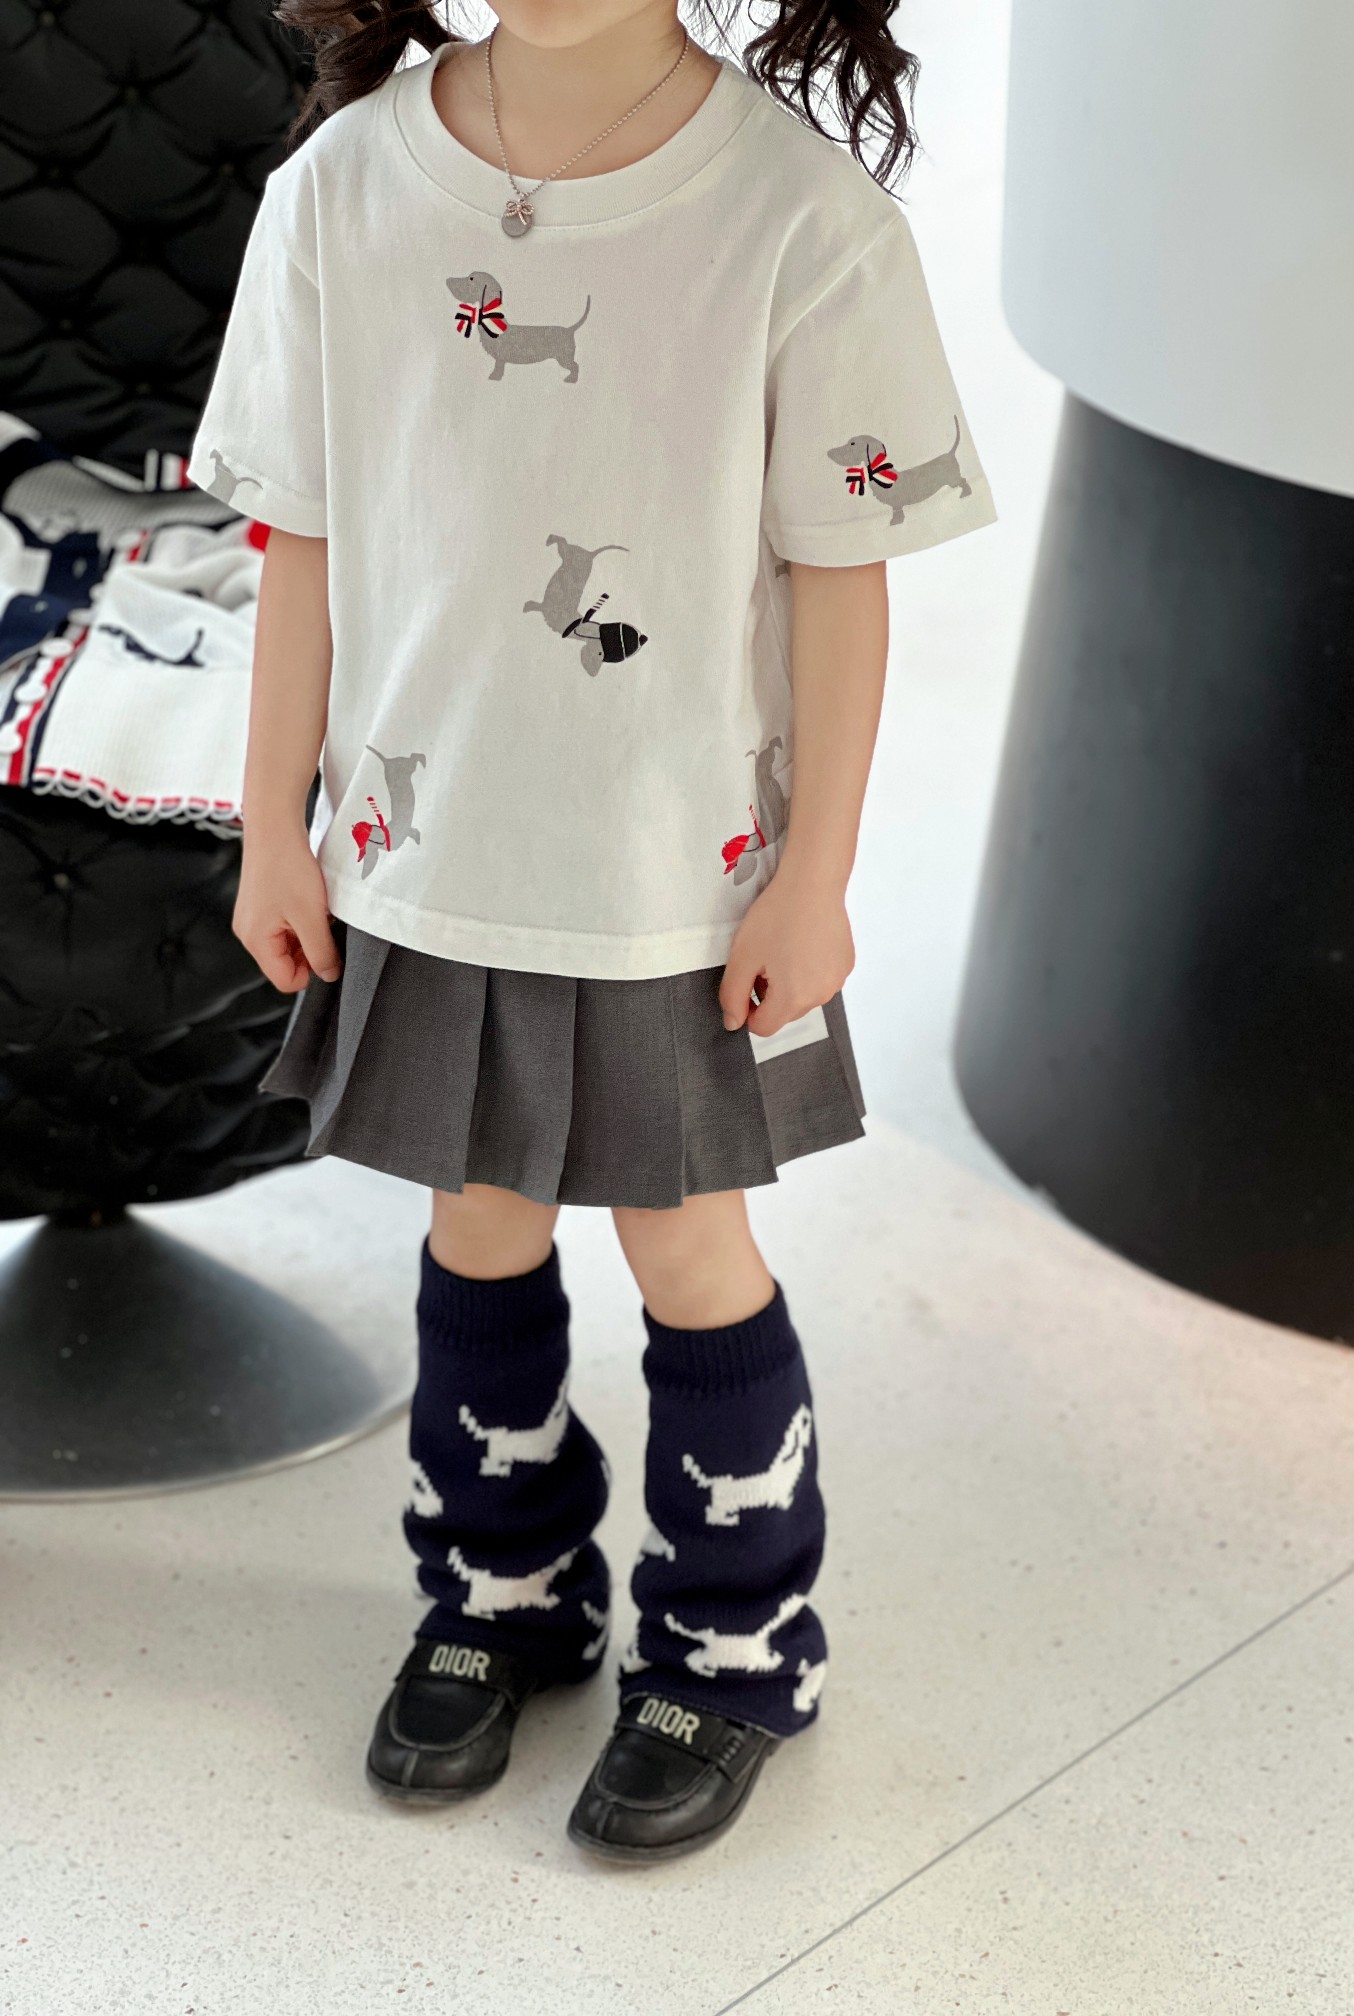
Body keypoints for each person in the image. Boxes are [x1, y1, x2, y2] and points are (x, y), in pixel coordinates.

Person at [189, 0, 996, 1862]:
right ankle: (501, 1597)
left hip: (673, 875)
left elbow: (843, 575)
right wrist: (271, 825)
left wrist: (815, 876)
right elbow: (301, 535)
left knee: (686, 1242)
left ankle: (733, 1647)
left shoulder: (800, 216)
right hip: (424, 842)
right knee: (476, 1219)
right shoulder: (340, 188)